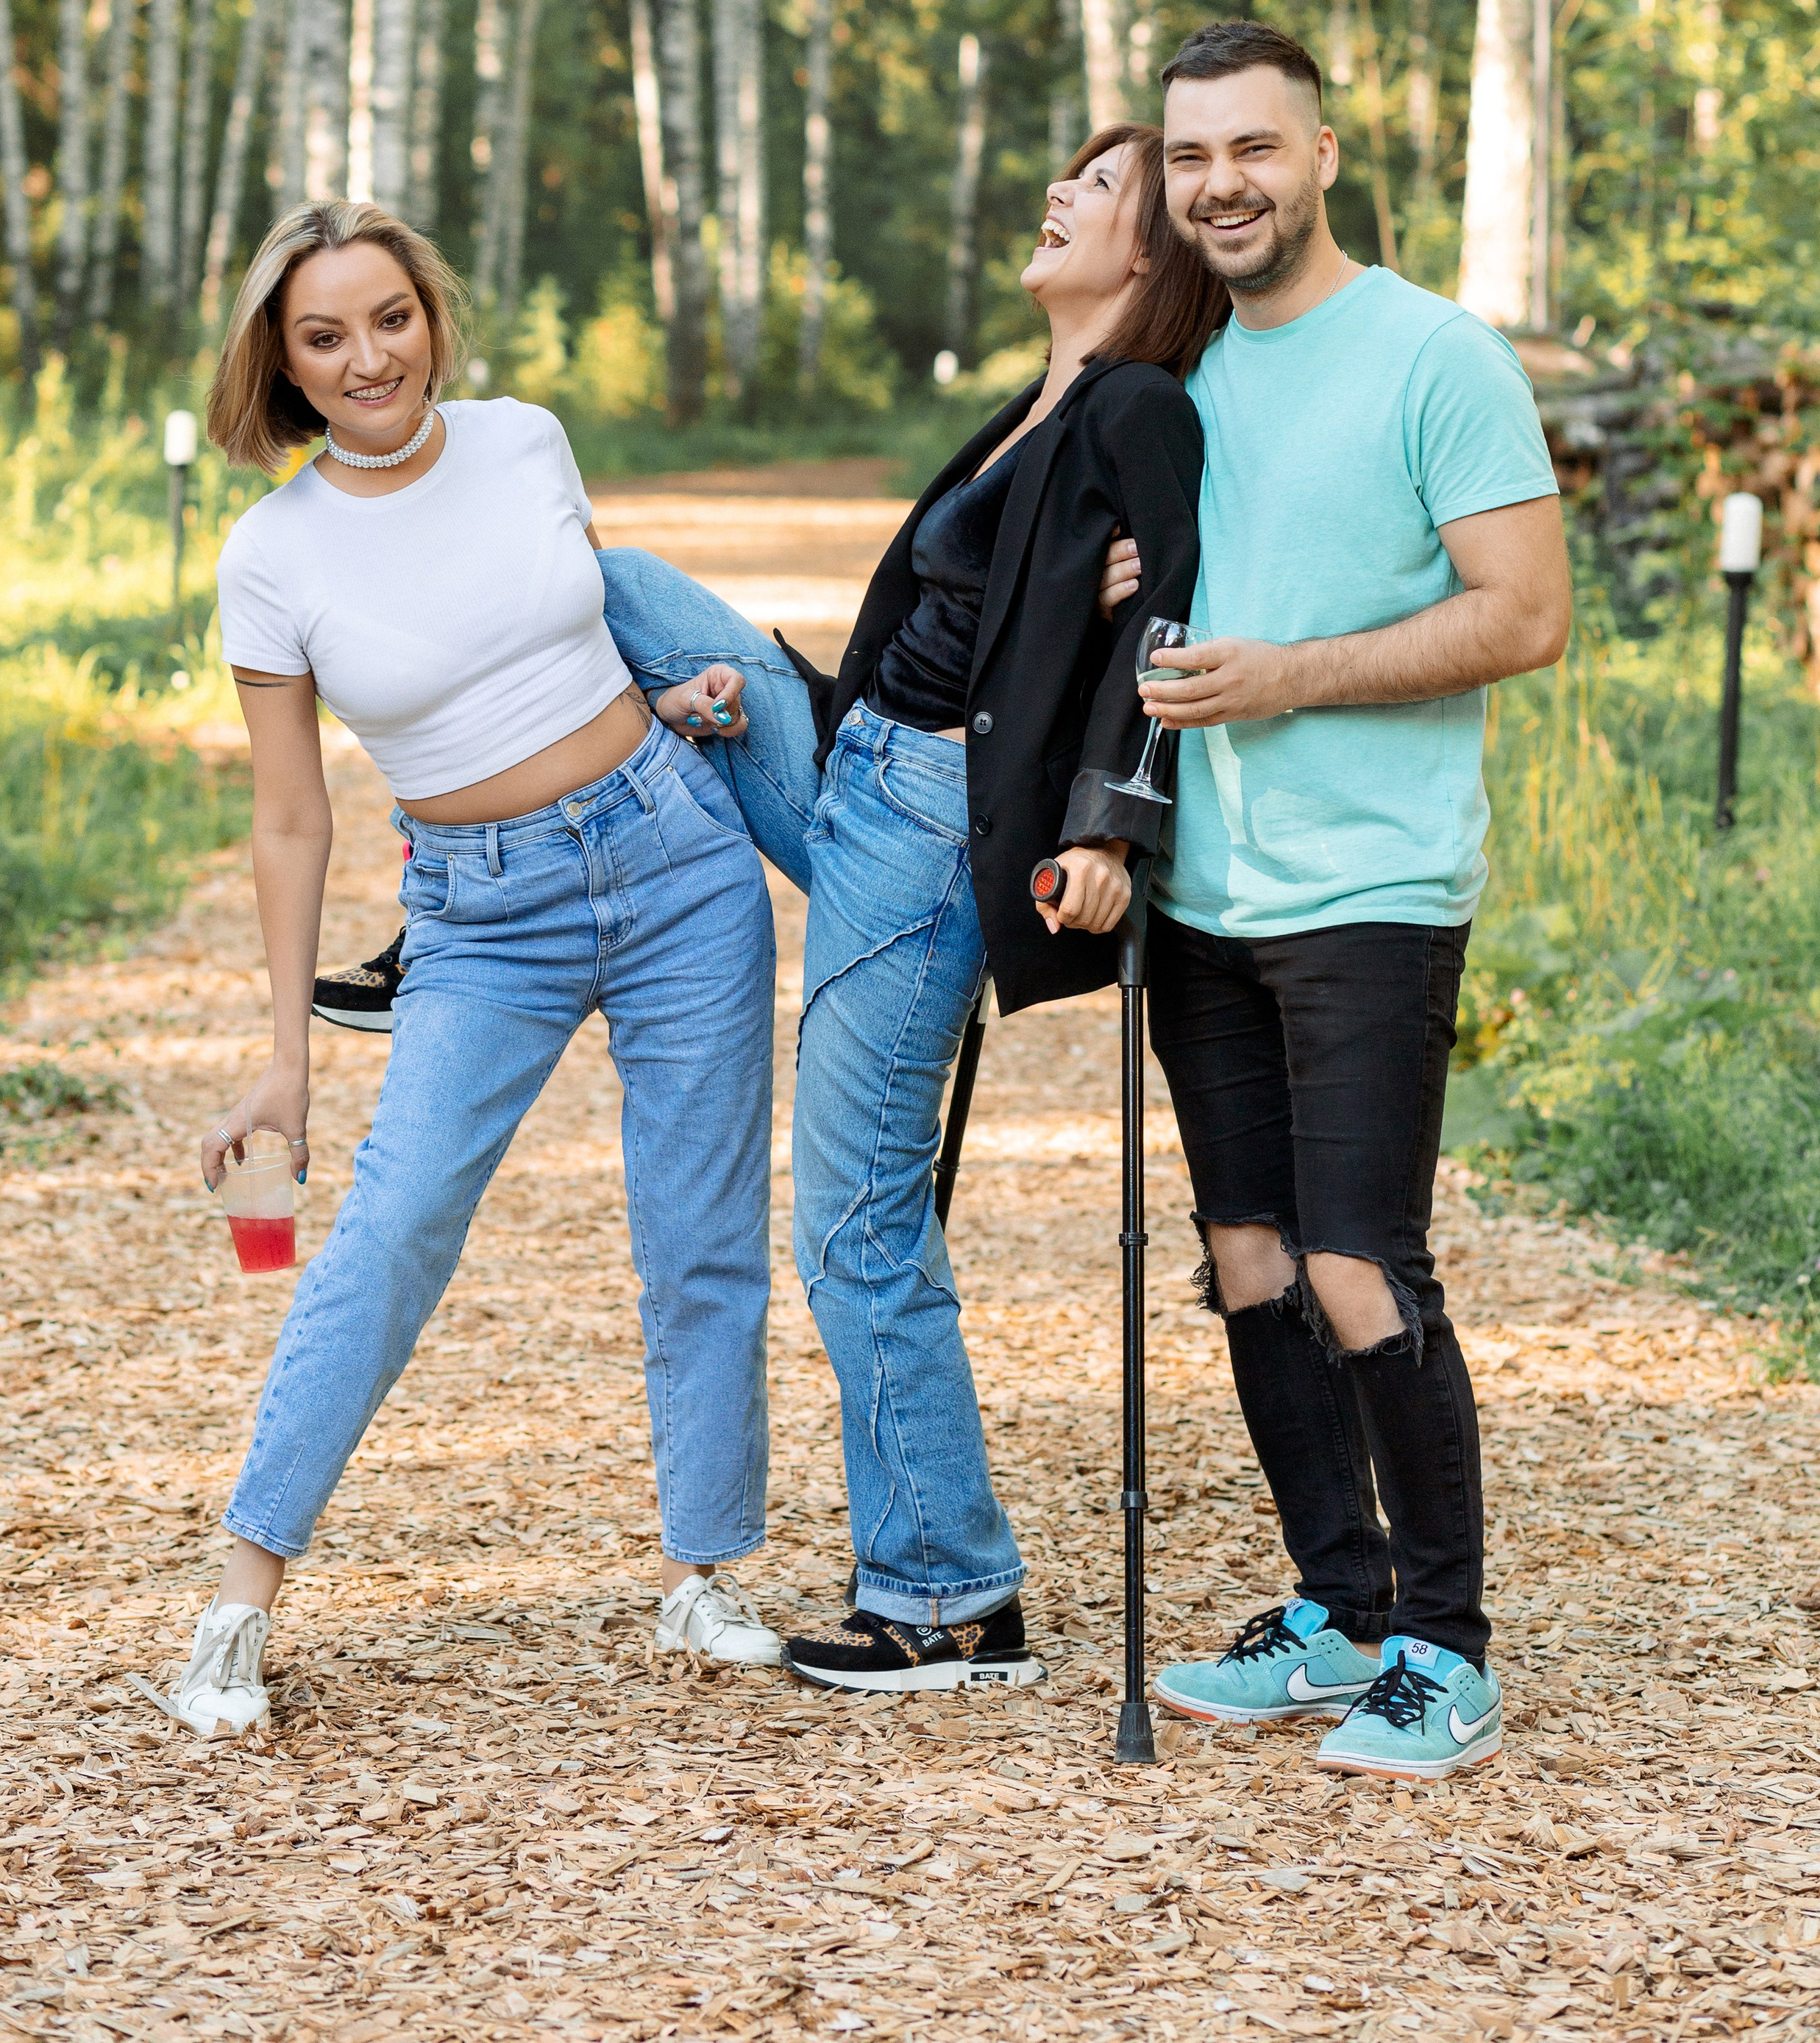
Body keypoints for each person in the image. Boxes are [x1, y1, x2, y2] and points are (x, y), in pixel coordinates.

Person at [539, 127, 1220, 1692]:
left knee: (851, 1222)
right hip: (856, 760)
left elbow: (1170, 620)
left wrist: (1109, 819)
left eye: (1100, 188)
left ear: (1152, 255)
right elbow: (997, 604)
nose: (1059, 192)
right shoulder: (1034, 404)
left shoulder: (1138, 406)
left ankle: (947, 1595)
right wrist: (745, 696)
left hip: (927, 832)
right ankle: (452, 892)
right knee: (621, 584)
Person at [162, 201, 784, 1741]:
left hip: (674, 855)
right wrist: (285, 1052)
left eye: (388, 318)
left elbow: (580, 631)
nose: (367, 356)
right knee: (390, 1227)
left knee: (700, 1231)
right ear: (283, 364)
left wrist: (685, 692)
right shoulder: (274, 553)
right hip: (480, 916)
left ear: (429, 317)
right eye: (324, 335)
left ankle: (703, 1567)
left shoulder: (524, 442)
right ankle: (237, 1603)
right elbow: (291, 815)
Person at [1099, 20, 1571, 1781]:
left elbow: (1521, 613)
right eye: (1191, 155)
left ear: (1319, 152)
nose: (1220, 182)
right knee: (1244, 1263)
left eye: (1252, 147)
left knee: (1360, 1264)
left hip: (1367, 884)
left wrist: (1288, 674)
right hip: (1203, 891)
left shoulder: (1432, 356)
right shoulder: (1184, 370)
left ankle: (1446, 1648)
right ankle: (1339, 1604)